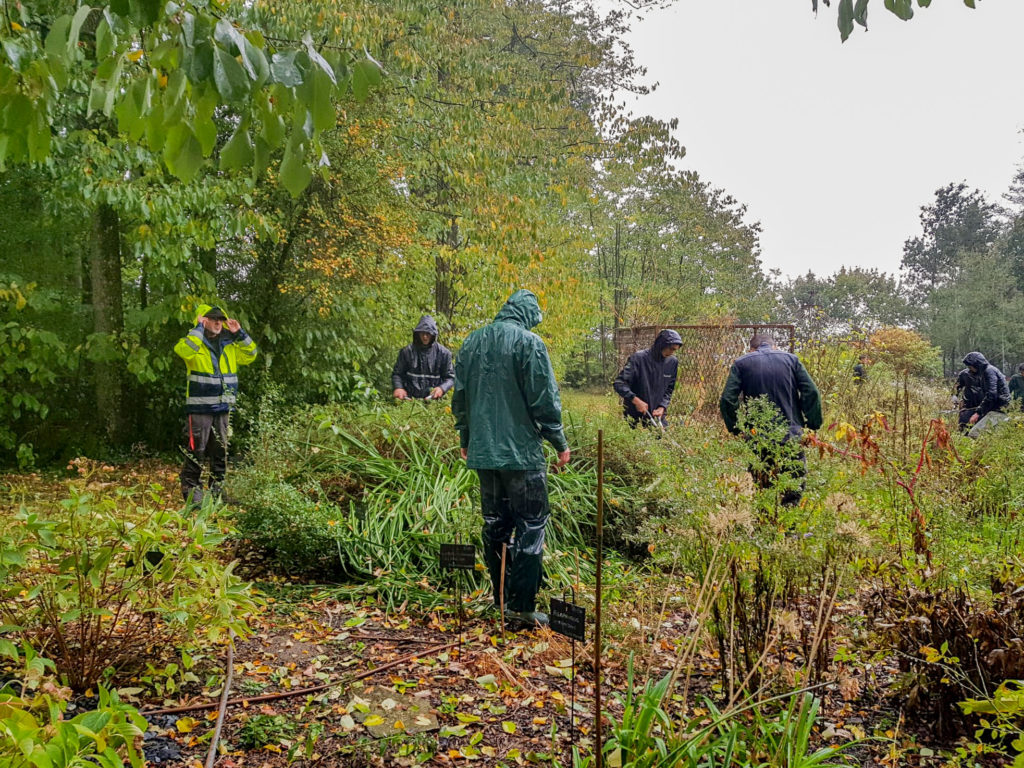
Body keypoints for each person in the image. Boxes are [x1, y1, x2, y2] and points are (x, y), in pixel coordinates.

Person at [452, 290, 570, 629]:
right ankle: (522, 610)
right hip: (521, 455)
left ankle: (501, 601)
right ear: (528, 315)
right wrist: (559, 441)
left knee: (495, 525)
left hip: (484, 453)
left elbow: (459, 398)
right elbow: (544, 398)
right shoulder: (529, 343)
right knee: (531, 525)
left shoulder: (471, 343)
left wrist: (466, 438)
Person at [719, 334, 822, 507]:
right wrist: (813, 422)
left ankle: (765, 522)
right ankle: (789, 526)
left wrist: (736, 428)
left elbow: (728, 400)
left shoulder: (741, 363)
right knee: (794, 478)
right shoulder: (792, 360)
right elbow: (811, 392)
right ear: (774, 346)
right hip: (791, 432)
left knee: (762, 479)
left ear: (751, 349)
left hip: (758, 435)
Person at [174, 305, 257, 504]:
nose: (218, 322)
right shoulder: (193, 342)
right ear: (203, 320)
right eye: (212, 319)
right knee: (197, 450)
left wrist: (239, 333)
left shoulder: (230, 345)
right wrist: (198, 329)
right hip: (200, 407)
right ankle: (192, 492)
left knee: (220, 450)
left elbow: (251, 354)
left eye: (220, 318)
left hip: (223, 408)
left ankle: (217, 492)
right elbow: (184, 351)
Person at [612, 329, 682, 427]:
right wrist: (636, 401)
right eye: (671, 349)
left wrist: (662, 407)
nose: (672, 352)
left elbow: (669, 389)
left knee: (662, 439)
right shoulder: (639, 359)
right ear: (661, 344)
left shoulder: (672, 362)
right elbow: (619, 384)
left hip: (656, 415)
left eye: (675, 350)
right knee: (633, 440)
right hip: (634, 416)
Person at [391, 315, 455, 401]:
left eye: (428, 333)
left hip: (434, 401)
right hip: (408, 400)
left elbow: (450, 377)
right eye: (422, 333)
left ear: (433, 334)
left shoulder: (444, 353)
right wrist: (398, 388)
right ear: (417, 333)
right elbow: (397, 374)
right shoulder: (407, 352)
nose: (425, 336)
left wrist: (442, 388)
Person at [962, 352, 1010, 437]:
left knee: (974, 434)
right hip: (997, 408)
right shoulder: (987, 371)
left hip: (999, 409)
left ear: (977, 365)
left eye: (970, 367)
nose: (970, 369)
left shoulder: (989, 371)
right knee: (984, 435)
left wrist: (978, 413)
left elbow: (991, 395)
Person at [954, 366, 985, 431]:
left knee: (981, 430)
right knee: (963, 427)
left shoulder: (987, 373)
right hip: (968, 407)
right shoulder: (964, 374)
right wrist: (954, 398)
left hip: (983, 408)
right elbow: (956, 387)